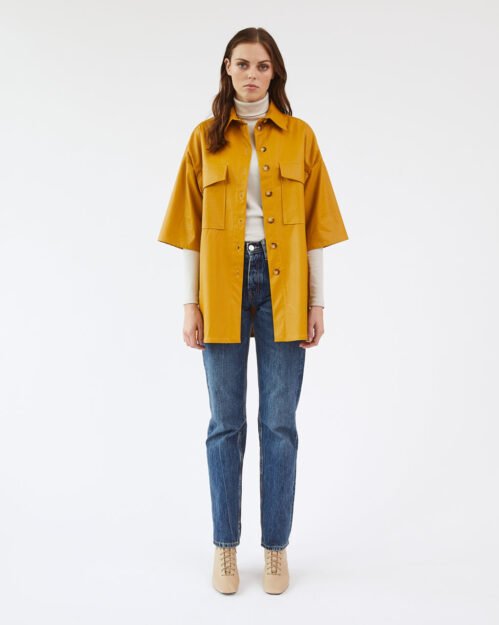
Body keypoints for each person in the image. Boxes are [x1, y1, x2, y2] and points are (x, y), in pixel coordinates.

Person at [157, 27, 348, 595]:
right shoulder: (204, 138)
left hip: (284, 289)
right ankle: (225, 547)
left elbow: (316, 228)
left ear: (274, 73)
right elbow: (189, 231)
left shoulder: (300, 136)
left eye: (262, 66)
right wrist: (189, 304)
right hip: (220, 288)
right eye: (242, 64)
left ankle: (275, 550)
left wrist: (317, 301)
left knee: (279, 424)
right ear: (227, 68)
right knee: (225, 424)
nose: (252, 74)